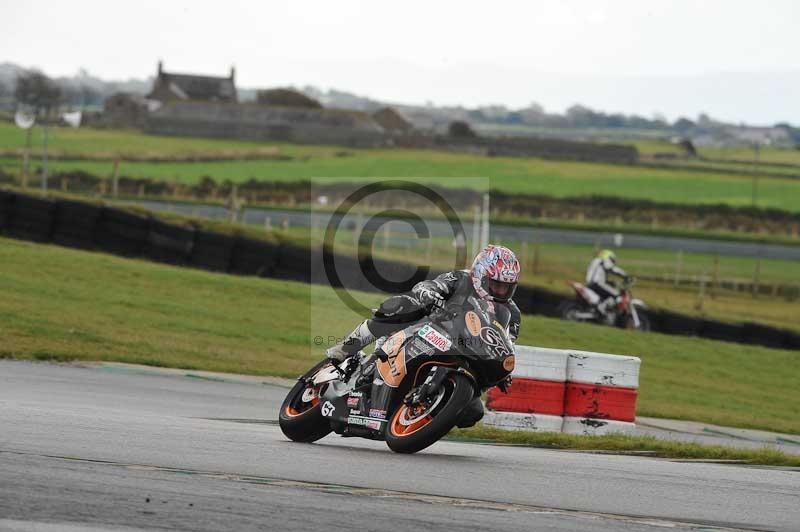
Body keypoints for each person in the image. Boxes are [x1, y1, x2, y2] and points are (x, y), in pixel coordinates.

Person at [325, 244, 522, 428]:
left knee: (474, 411)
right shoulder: (461, 279)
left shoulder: (512, 313)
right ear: (481, 275)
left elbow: (505, 341)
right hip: (431, 327)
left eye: (506, 287)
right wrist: (429, 293)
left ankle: (426, 413)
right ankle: (346, 348)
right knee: (400, 306)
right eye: (496, 285)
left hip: (466, 351)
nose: (501, 291)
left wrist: (503, 371)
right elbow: (431, 285)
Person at [584, 249, 630, 316]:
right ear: (608, 257)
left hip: (591, 283)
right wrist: (626, 276)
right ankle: (602, 310)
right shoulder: (604, 261)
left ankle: (602, 309)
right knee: (616, 294)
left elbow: (599, 275)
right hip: (597, 283)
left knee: (607, 294)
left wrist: (611, 283)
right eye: (612, 259)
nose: (613, 262)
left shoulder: (596, 261)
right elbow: (612, 269)